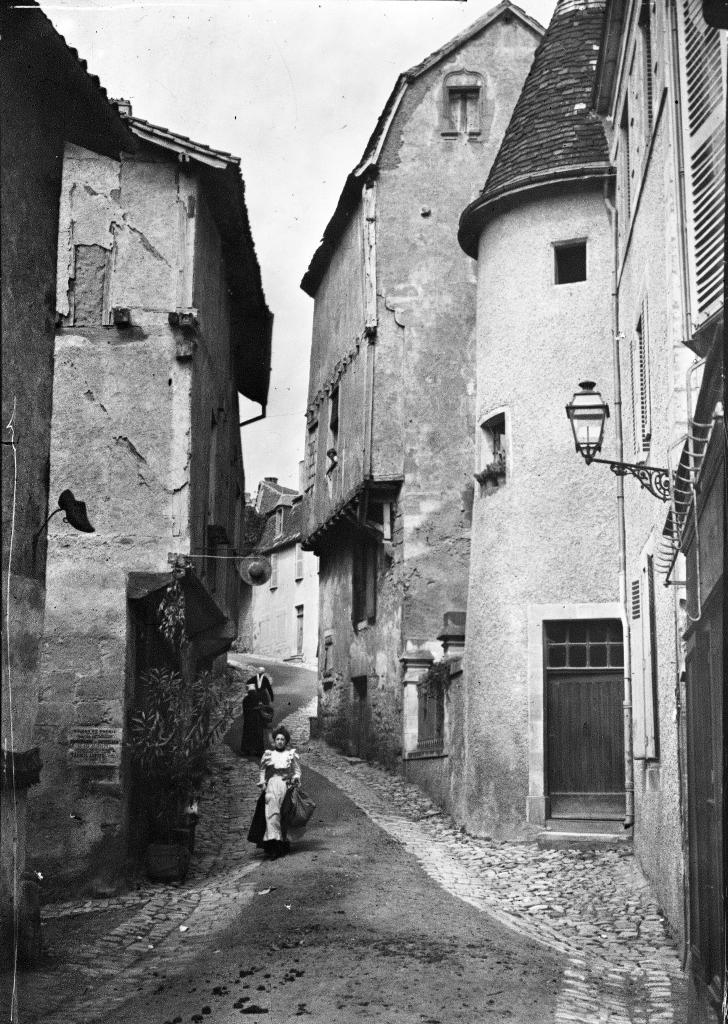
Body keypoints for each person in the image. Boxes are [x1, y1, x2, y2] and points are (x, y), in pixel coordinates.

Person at [257, 725, 301, 858]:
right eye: (277, 739)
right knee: (272, 815)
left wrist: (295, 778)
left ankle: (283, 843)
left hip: (286, 786)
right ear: (274, 741)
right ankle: (274, 846)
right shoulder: (269, 754)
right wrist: (263, 782)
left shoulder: (290, 755)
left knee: (285, 815)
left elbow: (297, 771)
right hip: (272, 786)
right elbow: (262, 769)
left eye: (282, 739)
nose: (280, 741)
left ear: (285, 741)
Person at [240, 679, 268, 758]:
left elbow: (245, 710)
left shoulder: (246, 699)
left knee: (248, 734)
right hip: (257, 719)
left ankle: (247, 750)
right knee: (258, 734)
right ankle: (258, 750)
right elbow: (262, 707)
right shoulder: (258, 698)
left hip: (249, 720)